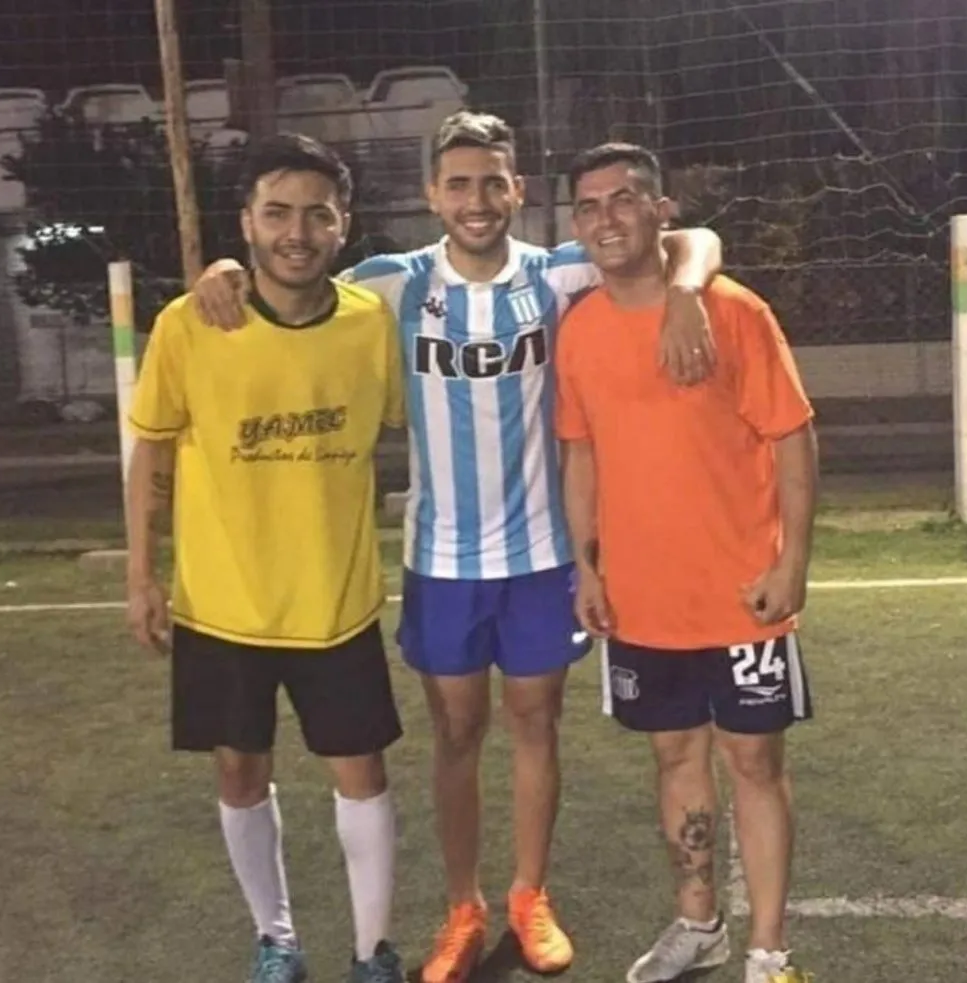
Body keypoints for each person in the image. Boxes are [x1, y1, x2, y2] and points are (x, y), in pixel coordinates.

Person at [191, 112, 723, 983]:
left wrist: (691, 288)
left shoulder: (557, 273)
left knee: (536, 723)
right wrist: (223, 270)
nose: (477, 200)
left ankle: (529, 895)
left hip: (542, 555)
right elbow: (289, 282)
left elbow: (692, 239)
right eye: (459, 184)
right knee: (456, 732)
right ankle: (462, 907)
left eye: (493, 183)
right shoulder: (390, 284)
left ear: (517, 190)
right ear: (432, 194)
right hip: (441, 561)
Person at [125, 133, 407, 983]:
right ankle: (276, 937)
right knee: (239, 769)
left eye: (317, 214)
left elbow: (402, 419)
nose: (297, 232)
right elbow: (151, 450)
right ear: (246, 221)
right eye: (277, 212)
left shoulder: (370, 322)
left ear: (343, 223)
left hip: (334, 601)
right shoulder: (190, 322)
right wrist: (141, 573)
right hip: (222, 604)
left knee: (362, 772)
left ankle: (371, 951)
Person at [555, 142, 818, 983]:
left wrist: (793, 561)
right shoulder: (580, 330)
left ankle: (769, 952)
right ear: (575, 223)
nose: (607, 218)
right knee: (674, 757)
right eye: (590, 205)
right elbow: (580, 454)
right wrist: (587, 567)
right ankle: (699, 925)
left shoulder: (733, 310)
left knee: (755, 763)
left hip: (743, 594)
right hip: (643, 600)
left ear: (660, 208)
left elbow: (792, 435)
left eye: (624, 198)